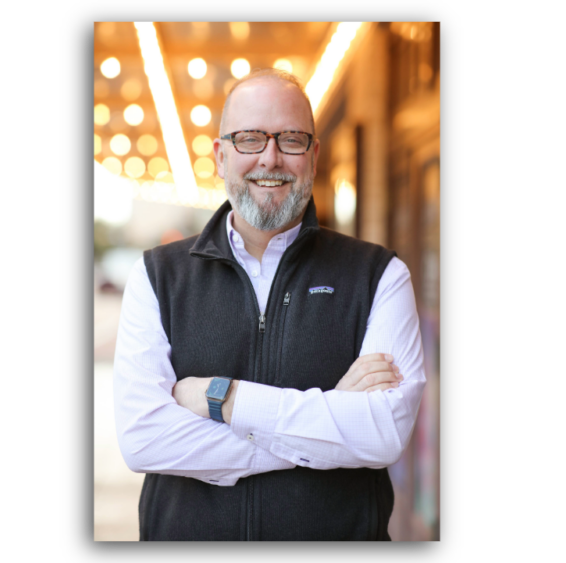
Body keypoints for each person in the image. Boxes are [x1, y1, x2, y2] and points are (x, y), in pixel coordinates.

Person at [113, 68, 424, 541]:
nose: (271, 158)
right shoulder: (158, 276)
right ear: (220, 155)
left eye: (291, 139)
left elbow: (381, 436)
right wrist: (334, 421)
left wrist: (224, 397)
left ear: (314, 156)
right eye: (250, 139)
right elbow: (143, 441)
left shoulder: (379, 275)